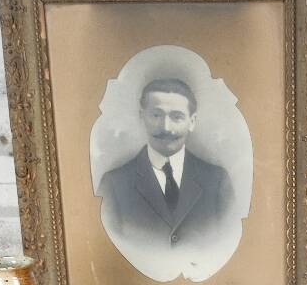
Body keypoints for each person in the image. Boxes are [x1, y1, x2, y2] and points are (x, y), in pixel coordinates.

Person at [97, 77, 236, 256]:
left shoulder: (217, 181)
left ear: (192, 121)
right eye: (156, 115)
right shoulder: (113, 184)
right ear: (142, 117)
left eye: (177, 117)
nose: (166, 127)